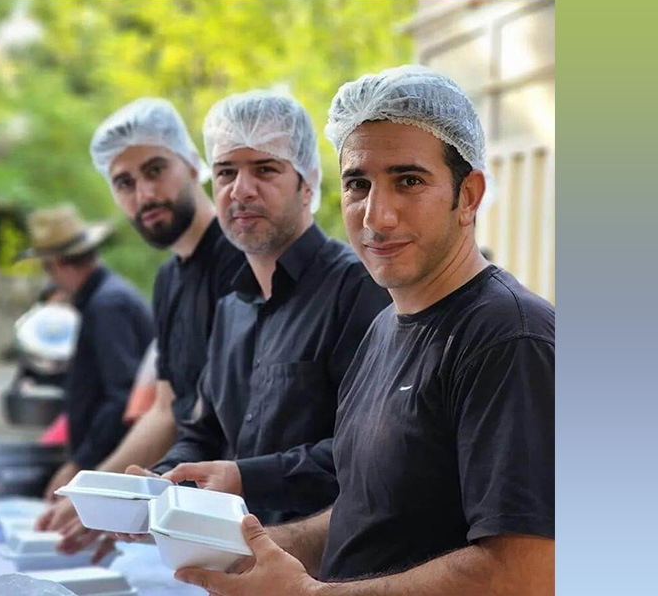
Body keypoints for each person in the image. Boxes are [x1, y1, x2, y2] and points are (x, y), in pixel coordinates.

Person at [175, 66, 555, 595]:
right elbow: (369, 510)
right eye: (358, 183)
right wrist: (255, 551)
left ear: (468, 195)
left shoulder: (510, 338)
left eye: (409, 181)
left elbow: (526, 574)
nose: (377, 217)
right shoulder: (384, 327)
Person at [132, 90, 390, 524]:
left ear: (306, 184)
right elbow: (203, 429)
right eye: (226, 172)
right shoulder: (232, 306)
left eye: (265, 169)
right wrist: (162, 482)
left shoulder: (358, 288)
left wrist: (244, 478)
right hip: (230, 558)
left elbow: (367, 451)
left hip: (326, 574)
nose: (241, 190)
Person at [36, 99, 244, 555]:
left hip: (246, 513)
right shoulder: (169, 278)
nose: (144, 195)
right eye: (124, 183)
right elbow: (166, 409)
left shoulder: (244, 260)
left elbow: (234, 416)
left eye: (155, 171)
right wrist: (94, 489)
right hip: (187, 513)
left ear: (193, 164)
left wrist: (99, 489)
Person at [17, 205, 155, 500]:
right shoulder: (105, 299)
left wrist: (82, 463)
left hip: (121, 463)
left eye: (47, 268)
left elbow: (122, 397)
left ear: (59, 265)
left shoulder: (108, 305)